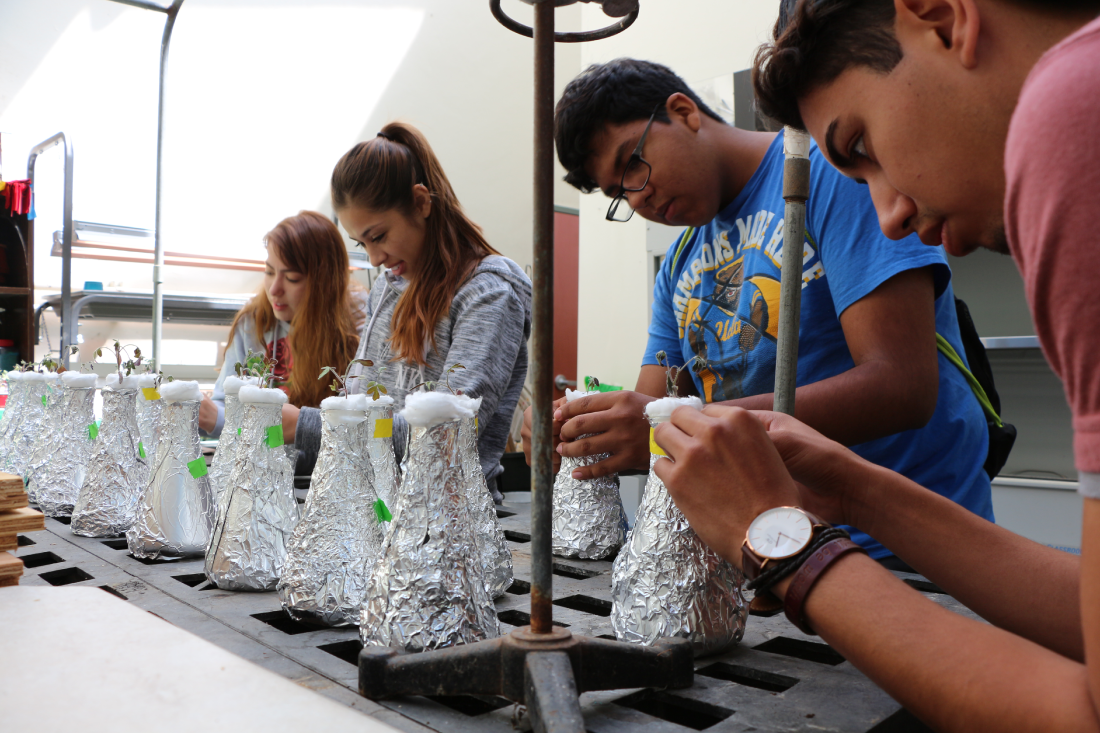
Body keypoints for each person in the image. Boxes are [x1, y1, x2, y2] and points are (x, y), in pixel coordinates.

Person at [649, 1, 1100, 730]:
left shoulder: (1074, 109)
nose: (887, 213)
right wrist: (854, 490)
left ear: (940, 17)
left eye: (862, 143)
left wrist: (781, 541)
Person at [524, 58, 994, 564]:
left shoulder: (829, 178)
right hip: (770, 556)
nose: (639, 198)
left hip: (904, 554)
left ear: (682, 112)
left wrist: (666, 426)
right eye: (619, 195)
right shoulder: (680, 263)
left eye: (632, 165)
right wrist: (582, 426)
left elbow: (902, 386)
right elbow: (653, 409)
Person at [292, 122, 531, 500]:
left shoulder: (489, 293)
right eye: (361, 243)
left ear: (421, 203)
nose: (374, 258)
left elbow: (443, 435)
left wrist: (305, 426)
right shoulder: (389, 288)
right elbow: (360, 407)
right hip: (372, 509)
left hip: (445, 523)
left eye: (379, 236)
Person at [201, 211, 363, 447]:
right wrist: (207, 416)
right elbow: (225, 407)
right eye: (269, 272)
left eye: (293, 278)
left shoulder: (357, 328)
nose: (274, 289)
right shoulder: (254, 322)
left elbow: (354, 430)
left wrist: (221, 421)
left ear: (325, 284)